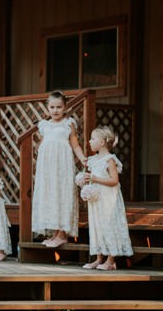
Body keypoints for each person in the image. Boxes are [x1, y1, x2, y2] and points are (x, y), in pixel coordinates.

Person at [31, 91, 87, 248]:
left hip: (62, 165)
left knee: (62, 194)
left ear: (65, 107)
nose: (55, 110)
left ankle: (63, 234)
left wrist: (82, 157)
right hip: (48, 167)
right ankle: (55, 232)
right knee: (51, 195)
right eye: (52, 107)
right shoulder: (44, 125)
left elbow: (75, 144)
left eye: (59, 107)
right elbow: (42, 144)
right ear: (47, 108)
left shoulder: (68, 124)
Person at [81, 126, 133, 270]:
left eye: (93, 138)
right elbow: (91, 177)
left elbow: (114, 180)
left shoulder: (109, 160)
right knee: (97, 225)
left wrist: (95, 178)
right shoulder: (92, 160)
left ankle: (110, 260)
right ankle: (98, 258)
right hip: (97, 199)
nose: (89, 141)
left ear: (102, 142)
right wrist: (84, 180)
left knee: (108, 225)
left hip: (108, 198)